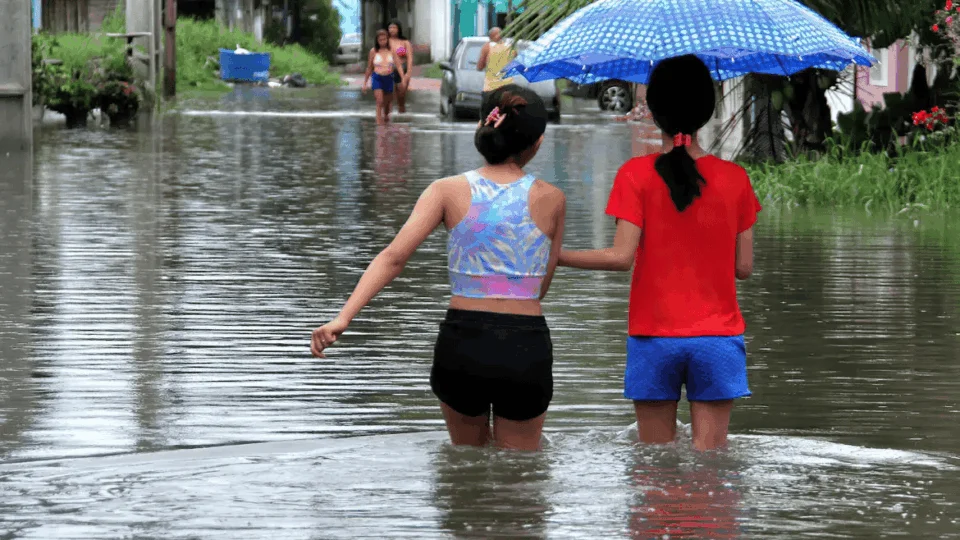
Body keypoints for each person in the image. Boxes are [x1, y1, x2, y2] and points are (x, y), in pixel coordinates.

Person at [311, 85, 566, 451]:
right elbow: (540, 287)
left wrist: (343, 318)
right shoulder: (552, 198)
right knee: (520, 471)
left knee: (463, 464)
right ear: (538, 142)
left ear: (482, 125)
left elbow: (393, 257)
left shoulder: (445, 190)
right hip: (524, 346)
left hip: (463, 343)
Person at [558, 55, 761, 451]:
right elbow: (744, 267)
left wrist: (558, 256)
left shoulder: (635, 175)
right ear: (708, 110)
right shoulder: (736, 178)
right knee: (711, 466)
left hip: (654, 339)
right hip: (717, 340)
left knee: (653, 464)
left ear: (652, 109)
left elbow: (620, 257)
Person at [363, 29, 405, 124]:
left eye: (384, 39)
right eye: (380, 40)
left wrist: (403, 78)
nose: (382, 42)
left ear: (387, 39)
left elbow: (398, 65)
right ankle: (379, 123)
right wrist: (365, 83)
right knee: (379, 101)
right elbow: (369, 67)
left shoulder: (392, 50)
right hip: (377, 77)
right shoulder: (373, 51)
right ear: (377, 41)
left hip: (389, 77)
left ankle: (386, 117)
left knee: (387, 103)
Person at [476, 27, 516, 110]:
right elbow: (516, 61)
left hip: (491, 88)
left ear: (491, 37)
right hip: (508, 87)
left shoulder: (487, 47)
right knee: (507, 112)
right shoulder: (510, 47)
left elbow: (480, 67)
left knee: (488, 112)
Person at [387, 20, 414, 114]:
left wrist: (408, 73)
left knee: (401, 95)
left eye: (394, 27)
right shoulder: (385, 41)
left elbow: (410, 58)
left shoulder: (405, 42)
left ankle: (401, 113)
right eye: (390, 28)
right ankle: (387, 115)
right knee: (389, 94)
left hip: (403, 68)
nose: (392, 30)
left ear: (399, 29)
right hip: (389, 69)